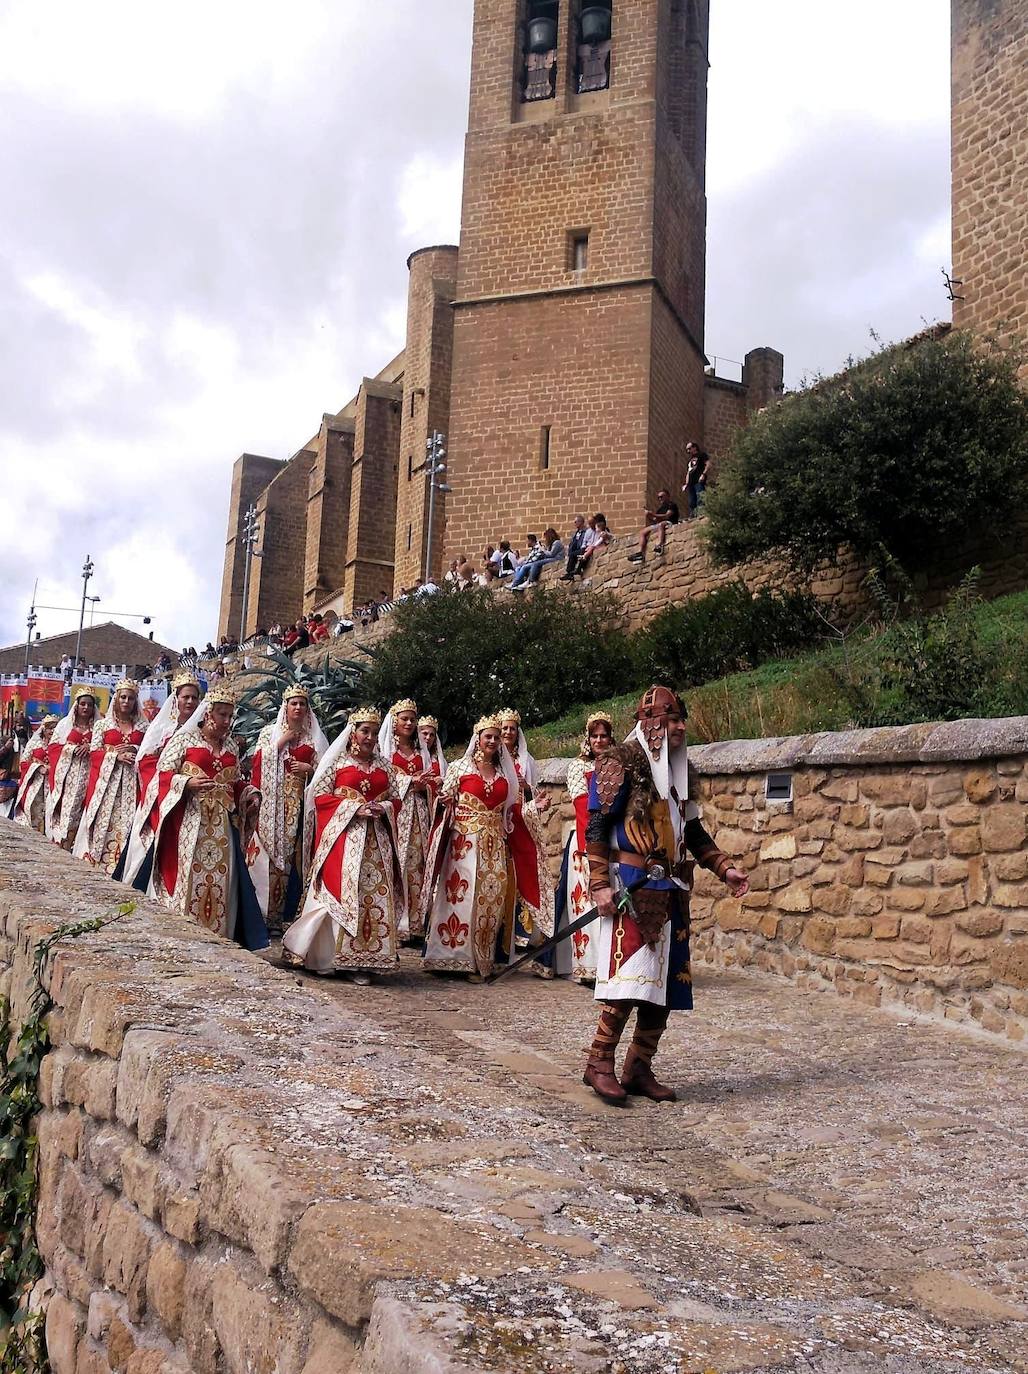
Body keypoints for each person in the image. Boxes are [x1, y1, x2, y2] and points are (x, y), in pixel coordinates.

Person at [582, 686, 751, 1105]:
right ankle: (599, 1063)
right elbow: (598, 825)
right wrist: (600, 882)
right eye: (673, 720)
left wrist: (724, 866)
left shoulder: (680, 769)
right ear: (652, 722)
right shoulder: (618, 763)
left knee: (666, 986)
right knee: (628, 983)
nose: (680, 728)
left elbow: (691, 832)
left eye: (681, 721)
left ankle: (638, 1067)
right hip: (632, 889)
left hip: (672, 889)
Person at [281, 707, 403, 981]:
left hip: (376, 843)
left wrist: (383, 807)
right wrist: (351, 809)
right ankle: (334, 957)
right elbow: (319, 797)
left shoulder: (384, 765)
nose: (370, 737)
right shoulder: (337, 763)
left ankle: (368, 959)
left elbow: (396, 799)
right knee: (343, 892)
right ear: (353, 734)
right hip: (344, 839)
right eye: (364, 731)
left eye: (373, 732)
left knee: (372, 895)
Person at [148, 686, 267, 950]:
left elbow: (235, 782)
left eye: (229, 716)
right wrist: (186, 782)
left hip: (222, 827)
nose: (226, 721)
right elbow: (162, 776)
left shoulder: (232, 746)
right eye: (221, 715)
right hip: (190, 824)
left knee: (223, 880)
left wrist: (249, 794)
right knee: (189, 876)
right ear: (208, 713)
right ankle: (183, 935)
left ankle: (218, 937)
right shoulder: (184, 740)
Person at [421, 715, 520, 979]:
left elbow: (512, 812)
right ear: (478, 738)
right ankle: (449, 959)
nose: (493, 741)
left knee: (491, 899)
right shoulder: (459, 768)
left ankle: (481, 961)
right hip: (463, 845)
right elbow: (446, 800)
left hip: (493, 846)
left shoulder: (503, 774)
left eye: (497, 737)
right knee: (460, 899)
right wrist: (444, 801)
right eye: (488, 736)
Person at [539, 711, 614, 982]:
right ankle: (588, 967)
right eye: (594, 736)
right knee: (585, 903)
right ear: (588, 738)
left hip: (615, 841)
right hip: (587, 841)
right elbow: (583, 806)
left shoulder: (620, 763)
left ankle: (611, 963)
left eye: (604, 735)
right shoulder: (577, 767)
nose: (599, 740)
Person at [245, 686, 328, 932]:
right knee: (265, 856)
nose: (298, 708)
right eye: (294, 703)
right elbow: (257, 764)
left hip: (298, 806)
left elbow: (326, 774)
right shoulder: (269, 733)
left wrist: (308, 769)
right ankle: (260, 912)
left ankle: (286, 914)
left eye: (303, 704)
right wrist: (280, 743)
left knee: (293, 858)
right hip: (271, 805)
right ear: (286, 706)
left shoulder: (314, 738)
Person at [117, 672, 203, 889]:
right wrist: (166, 782)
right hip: (163, 793)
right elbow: (145, 760)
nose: (190, 702)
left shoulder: (203, 730)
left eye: (194, 697)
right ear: (176, 699)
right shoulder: (164, 728)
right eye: (186, 697)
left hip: (193, 798)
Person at [377, 699, 438, 943]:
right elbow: (383, 779)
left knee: (417, 865)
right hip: (397, 813)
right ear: (394, 722)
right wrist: (409, 782)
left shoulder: (420, 752)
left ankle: (416, 922)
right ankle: (395, 923)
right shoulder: (386, 751)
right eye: (405, 719)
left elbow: (432, 780)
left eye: (412, 719)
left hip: (420, 812)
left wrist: (427, 785)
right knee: (396, 862)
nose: (410, 723)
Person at [496, 708, 554, 957]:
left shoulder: (525, 760)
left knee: (522, 874)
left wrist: (525, 787)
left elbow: (534, 789)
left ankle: (522, 931)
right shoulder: (492, 756)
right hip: (499, 821)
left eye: (512, 728)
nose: (508, 732)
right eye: (504, 728)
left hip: (520, 820)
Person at [73, 680, 147, 875]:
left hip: (132, 783)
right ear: (116, 699)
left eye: (131, 698)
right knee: (102, 820)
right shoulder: (103, 725)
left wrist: (135, 749)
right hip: (107, 784)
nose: (126, 701)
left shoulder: (143, 726)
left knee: (129, 822)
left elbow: (150, 753)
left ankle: (121, 866)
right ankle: (96, 862)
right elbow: (94, 752)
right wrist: (116, 755)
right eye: (123, 697)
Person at [45, 690, 98, 849]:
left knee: (82, 808)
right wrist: (71, 749)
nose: (86, 707)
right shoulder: (64, 725)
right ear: (77, 705)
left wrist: (90, 746)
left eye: (89, 704)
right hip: (67, 775)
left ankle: (75, 844)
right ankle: (60, 840)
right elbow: (53, 748)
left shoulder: (98, 726)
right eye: (83, 704)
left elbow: (102, 747)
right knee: (66, 806)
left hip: (88, 774)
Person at [13, 715, 58, 833]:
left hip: (52, 785)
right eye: (50, 728)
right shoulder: (34, 744)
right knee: (32, 812)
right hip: (35, 784)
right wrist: (38, 767)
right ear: (43, 729)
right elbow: (23, 763)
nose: (52, 731)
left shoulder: (59, 746)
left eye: (55, 728)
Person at [627, 490, 679, 562]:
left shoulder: (671, 505)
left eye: (661, 497)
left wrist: (653, 514)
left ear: (667, 496)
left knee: (661, 525)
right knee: (642, 532)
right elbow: (655, 520)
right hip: (659, 524)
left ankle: (659, 545)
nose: (660, 499)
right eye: (658, 497)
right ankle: (640, 553)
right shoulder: (660, 509)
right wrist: (649, 516)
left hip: (669, 523)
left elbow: (667, 516)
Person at [558, 515, 590, 581]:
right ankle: (570, 573)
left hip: (584, 549)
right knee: (571, 554)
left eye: (576, 522)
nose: (575, 523)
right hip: (577, 549)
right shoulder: (576, 533)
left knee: (573, 554)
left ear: (581, 522)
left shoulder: (586, 531)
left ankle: (570, 572)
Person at [682, 442, 709, 519]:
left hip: (698, 480)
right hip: (691, 483)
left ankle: (701, 513)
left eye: (689, 448)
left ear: (694, 448)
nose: (688, 451)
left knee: (700, 497)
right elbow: (688, 472)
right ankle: (693, 516)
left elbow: (708, 464)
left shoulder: (702, 455)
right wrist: (686, 484)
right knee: (691, 501)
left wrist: (703, 474)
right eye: (687, 449)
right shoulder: (690, 461)